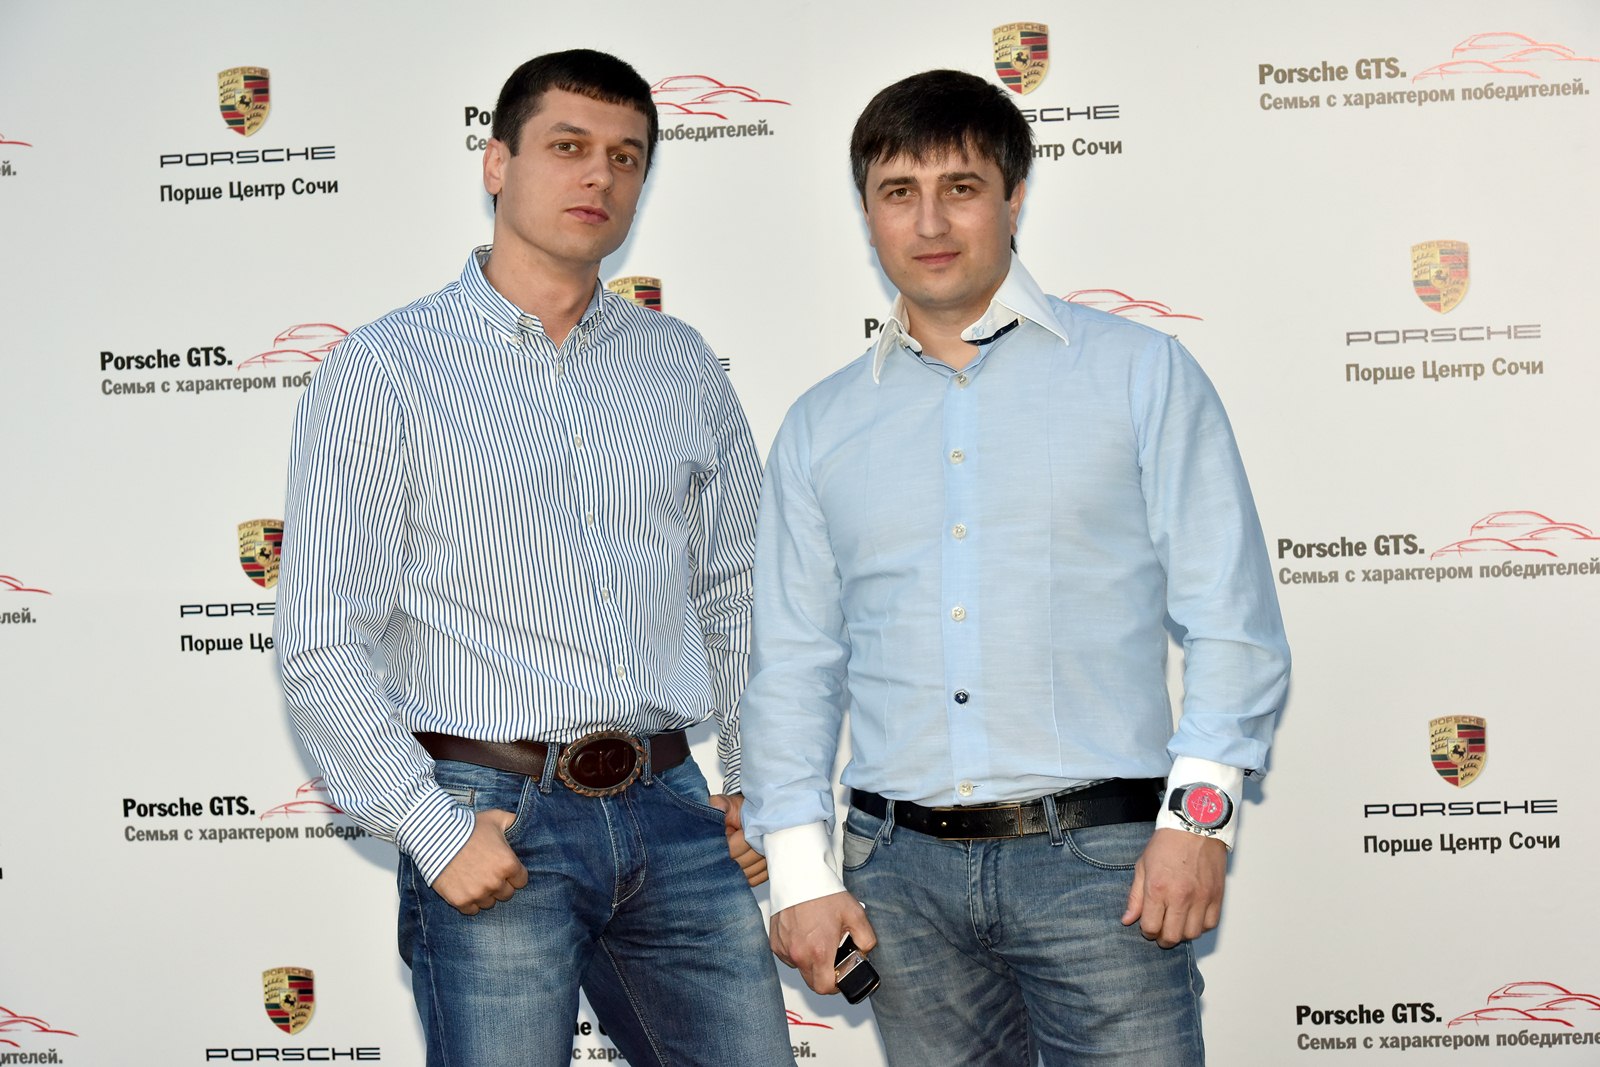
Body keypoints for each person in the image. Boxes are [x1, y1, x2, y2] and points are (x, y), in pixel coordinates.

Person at [740, 69, 1291, 1066]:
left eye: (960, 186)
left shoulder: (1139, 372)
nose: (929, 221)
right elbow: (793, 665)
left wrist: (1199, 821)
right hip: (896, 879)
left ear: (1015, 197)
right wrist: (799, 871)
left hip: (1105, 867)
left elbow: (1232, 619)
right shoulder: (820, 425)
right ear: (866, 212)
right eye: (898, 191)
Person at [275, 48, 794, 1067]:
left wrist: (752, 779)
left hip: (676, 809)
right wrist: (431, 829)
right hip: (492, 814)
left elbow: (739, 588)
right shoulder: (383, 369)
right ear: (496, 163)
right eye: (567, 146)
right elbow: (323, 636)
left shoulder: (680, 363)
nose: (598, 175)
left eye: (625, 156)